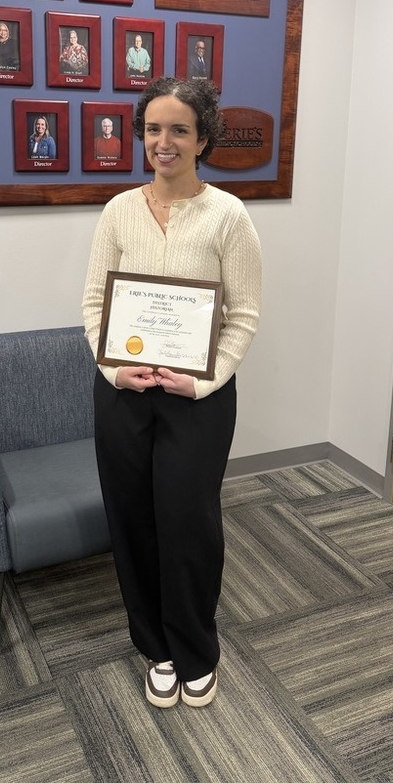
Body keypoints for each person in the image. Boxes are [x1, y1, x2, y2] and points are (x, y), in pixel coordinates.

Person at [82, 77, 262, 710]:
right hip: (124, 393)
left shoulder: (228, 215)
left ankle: (194, 649)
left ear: (202, 138)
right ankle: (155, 647)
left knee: (188, 523)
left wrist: (203, 379)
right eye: (154, 128)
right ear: (141, 136)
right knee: (131, 521)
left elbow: (241, 315)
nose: (165, 141)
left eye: (179, 129)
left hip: (199, 399)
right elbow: (96, 304)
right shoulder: (119, 212)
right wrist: (112, 371)